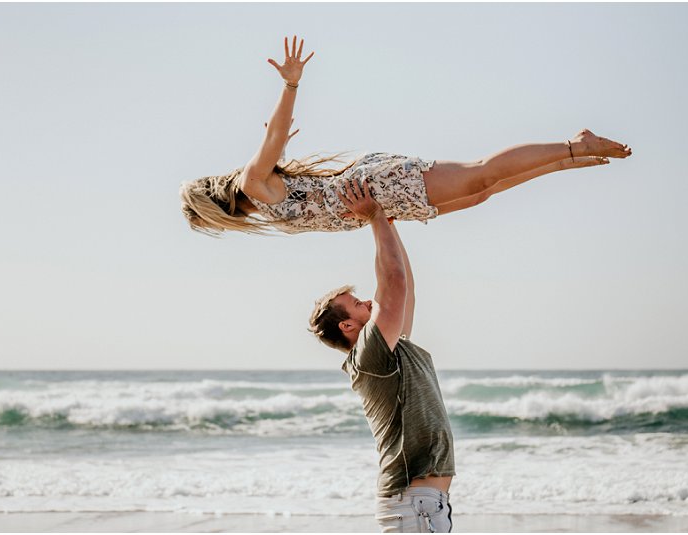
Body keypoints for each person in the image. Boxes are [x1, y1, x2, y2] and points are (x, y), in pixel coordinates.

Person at [180, 35, 632, 236]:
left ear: (215, 206)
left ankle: (577, 143)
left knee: (480, 174)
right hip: (381, 203)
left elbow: (276, 136)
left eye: (210, 222)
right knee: (481, 195)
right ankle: (566, 159)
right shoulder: (264, 210)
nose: (222, 227)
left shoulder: (250, 184)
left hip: (381, 185)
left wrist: (290, 84)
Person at [308, 178, 454, 533]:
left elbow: (405, 287)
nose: (369, 301)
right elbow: (394, 283)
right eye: (358, 304)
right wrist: (373, 215)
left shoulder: (389, 348)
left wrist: (387, 224)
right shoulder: (368, 356)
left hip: (421, 506)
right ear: (347, 326)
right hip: (413, 506)